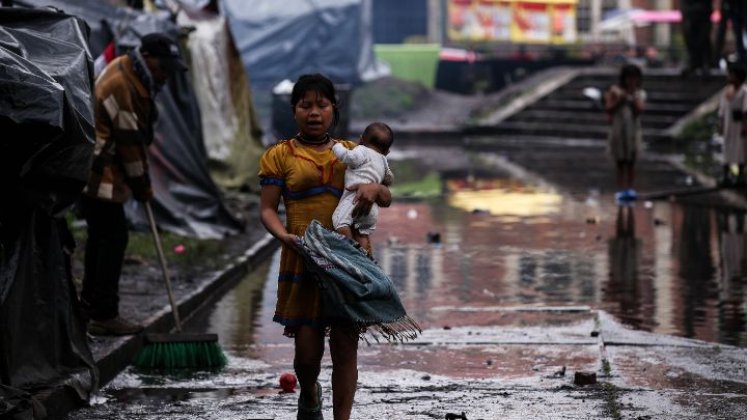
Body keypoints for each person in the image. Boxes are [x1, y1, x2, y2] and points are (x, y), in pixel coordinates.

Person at [258, 74, 392, 420]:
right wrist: (283, 236)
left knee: (346, 347)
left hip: (349, 261)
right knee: (306, 354)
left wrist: (374, 191)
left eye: (322, 105)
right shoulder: (279, 155)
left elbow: (387, 194)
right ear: (294, 110)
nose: (314, 113)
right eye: (306, 105)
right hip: (303, 257)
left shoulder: (355, 153)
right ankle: (309, 393)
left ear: (334, 109)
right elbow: (267, 209)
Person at [79, 33, 187, 335]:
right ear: (149, 58)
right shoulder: (121, 84)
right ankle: (104, 314)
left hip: (106, 172)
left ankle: (88, 307)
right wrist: (143, 188)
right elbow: (129, 143)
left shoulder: (133, 72)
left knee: (102, 238)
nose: (165, 75)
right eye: (163, 67)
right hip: (100, 174)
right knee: (112, 239)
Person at [331, 122, 394, 251]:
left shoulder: (361, 149)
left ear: (361, 139)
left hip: (354, 199)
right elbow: (389, 178)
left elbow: (350, 157)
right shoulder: (383, 160)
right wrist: (378, 182)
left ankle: (350, 252)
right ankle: (363, 258)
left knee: (339, 221)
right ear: (387, 151)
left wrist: (336, 147)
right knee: (362, 234)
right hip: (370, 207)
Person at [605, 64, 645, 201]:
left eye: (634, 78)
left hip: (633, 130)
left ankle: (630, 188)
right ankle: (621, 189)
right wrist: (620, 100)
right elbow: (609, 108)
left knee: (631, 161)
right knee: (620, 161)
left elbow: (640, 109)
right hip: (618, 129)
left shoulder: (639, 93)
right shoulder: (615, 92)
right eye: (629, 78)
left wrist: (632, 99)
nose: (631, 81)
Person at [717, 63, 747, 186]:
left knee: (741, 149)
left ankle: (740, 175)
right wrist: (721, 124)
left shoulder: (744, 92)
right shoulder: (726, 92)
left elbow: (746, 110)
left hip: (739, 124)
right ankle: (726, 175)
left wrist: (745, 125)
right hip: (729, 124)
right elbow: (722, 111)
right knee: (727, 148)